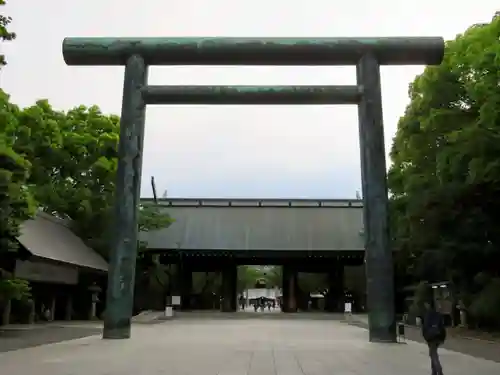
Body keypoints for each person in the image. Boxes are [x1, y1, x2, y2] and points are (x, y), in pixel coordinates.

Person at [421, 301, 446, 375]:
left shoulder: (428, 314)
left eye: (426, 304)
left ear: (428, 304)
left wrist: (426, 337)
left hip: (431, 337)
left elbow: (425, 327)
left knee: (433, 354)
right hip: (438, 336)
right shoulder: (437, 314)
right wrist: (442, 338)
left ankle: (439, 370)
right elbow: (442, 327)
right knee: (432, 353)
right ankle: (434, 371)